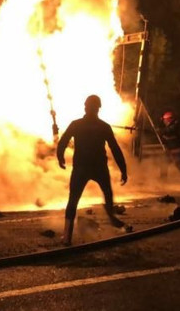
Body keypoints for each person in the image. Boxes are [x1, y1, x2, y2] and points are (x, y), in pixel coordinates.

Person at [57, 95, 128, 246]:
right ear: (98, 108)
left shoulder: (76, 125)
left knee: (73, 200)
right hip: (98, 167)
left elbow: (63, 141)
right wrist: (123, 169)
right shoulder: (103, 126)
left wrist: (60, 157)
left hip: (82, 167)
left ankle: (67, 236)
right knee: (107, 194)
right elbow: (115, 149)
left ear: (85, 107)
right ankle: (112, 218)